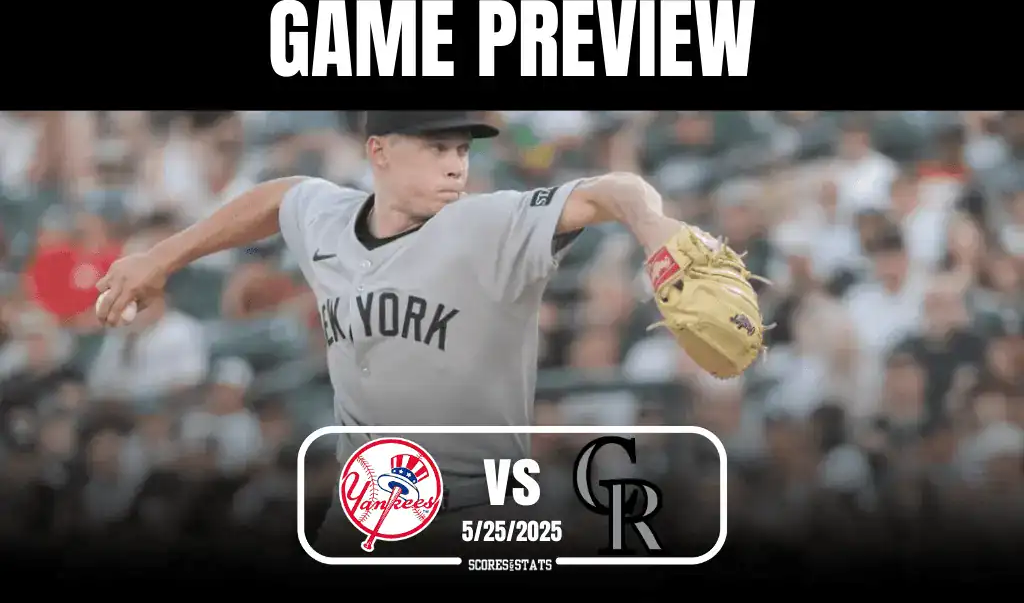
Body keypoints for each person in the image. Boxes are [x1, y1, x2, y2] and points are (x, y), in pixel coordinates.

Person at [94, 111, 760, 554]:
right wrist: (160, 259)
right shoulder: (327, 221)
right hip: (370, 512)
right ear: (379, 151)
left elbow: (611, 188)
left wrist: (653, 227)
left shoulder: (488, 224)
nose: (455, 165)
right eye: (437, 147)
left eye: (462, 149)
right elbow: (279, 197)